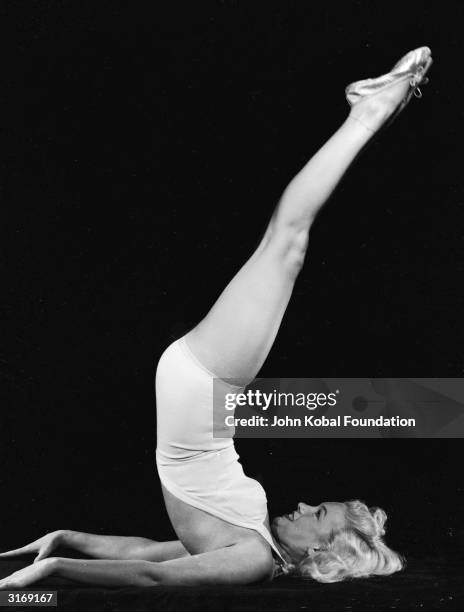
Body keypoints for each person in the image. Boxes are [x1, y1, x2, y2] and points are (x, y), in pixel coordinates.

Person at [0, 46, 432, 589]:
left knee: (287, 244)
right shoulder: (258, 544)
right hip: (204, 399)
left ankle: (368, 113)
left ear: (324, 550)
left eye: (317, 514)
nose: (301, 503)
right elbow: (153, 552)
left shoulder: (251, 560)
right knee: (286, 246)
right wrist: (64, 538)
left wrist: (54, 571)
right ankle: (374, 114)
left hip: (202, 388)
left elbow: (154, 577)